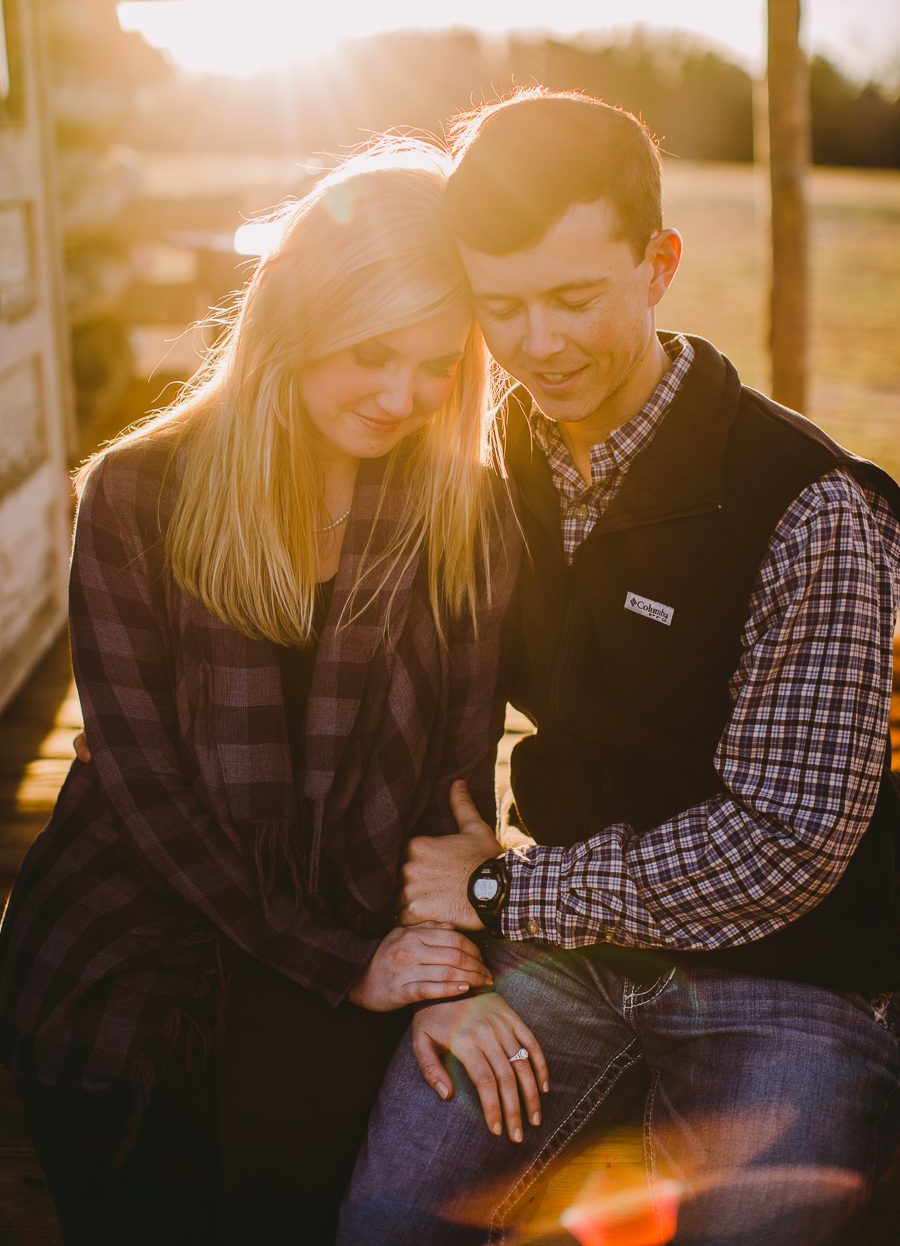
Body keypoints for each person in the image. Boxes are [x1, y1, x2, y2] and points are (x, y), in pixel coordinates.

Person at [339, 91, 900, 1245]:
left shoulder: (811, 505)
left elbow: (784, 845)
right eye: (502, 307)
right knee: (392, 1226)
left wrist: (501, 894)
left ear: (659, 266)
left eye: (575, 298)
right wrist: (449, 947)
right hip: (566, 961)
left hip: (793, 977)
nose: (538, 344)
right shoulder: (490, 461)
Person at [0, 142, 528, 1245]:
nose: (403, 396)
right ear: (297, 319)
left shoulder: (467, 516)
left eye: (437, 363)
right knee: (135, 1119)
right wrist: (341, 963)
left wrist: (448, 964)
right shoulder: (140, 494)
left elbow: (456, 783)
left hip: (358, 902)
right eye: (372, 352)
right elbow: (144, 791)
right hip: (149, 907)